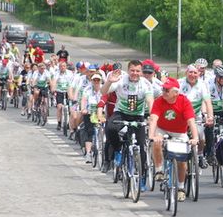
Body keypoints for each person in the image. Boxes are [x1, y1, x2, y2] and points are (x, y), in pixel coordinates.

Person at [102, 60, 154, 191]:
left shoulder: (146, 84)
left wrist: (152, 117)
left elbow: (150, 101)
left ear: (141, 72)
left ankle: (142, 179)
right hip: (121, 113)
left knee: (142, 147)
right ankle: (118, 150)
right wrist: (110, 81)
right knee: (110, 128)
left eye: (137, 71)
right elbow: (103, 91)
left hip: (138, 116)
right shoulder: (120, 79)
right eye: (132, 70)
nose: (135, 73)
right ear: (128, 70)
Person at [148, 77, 199, 202]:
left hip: (179, 132)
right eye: (163, 89)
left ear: (176, 92)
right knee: (157, 142)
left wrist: (195, 138)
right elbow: (153, 119)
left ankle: (181, 188)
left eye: (167, 90)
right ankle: (159, 170)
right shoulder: (159, 101)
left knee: (182, 161)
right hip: (162, 129)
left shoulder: (184, 102)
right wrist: (152, 136)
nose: (164, 92)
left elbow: (191, 122)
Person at [80, 72, 104, 163]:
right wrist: (83, 109)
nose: (96, 82)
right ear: (92, 81)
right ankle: (88, 153)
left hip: (102, 112)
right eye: (95, 80)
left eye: (98, 80)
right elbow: (84, 99)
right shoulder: (87, 89)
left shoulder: (104, 88)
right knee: (89, 131)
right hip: (90, 112)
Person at [52, 61, 74, 131]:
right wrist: (53, 88)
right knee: (59, 107)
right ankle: (59, 123)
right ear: (59, 67)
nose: (62, 68)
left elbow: (73, 82)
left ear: (66, 67)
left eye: (64, 66)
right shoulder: (57, 73)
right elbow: (54, 81)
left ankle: (69, 123)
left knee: (71, 108)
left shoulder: (70, 73)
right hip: (60, 91)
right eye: (61, 66)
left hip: (68, 92)